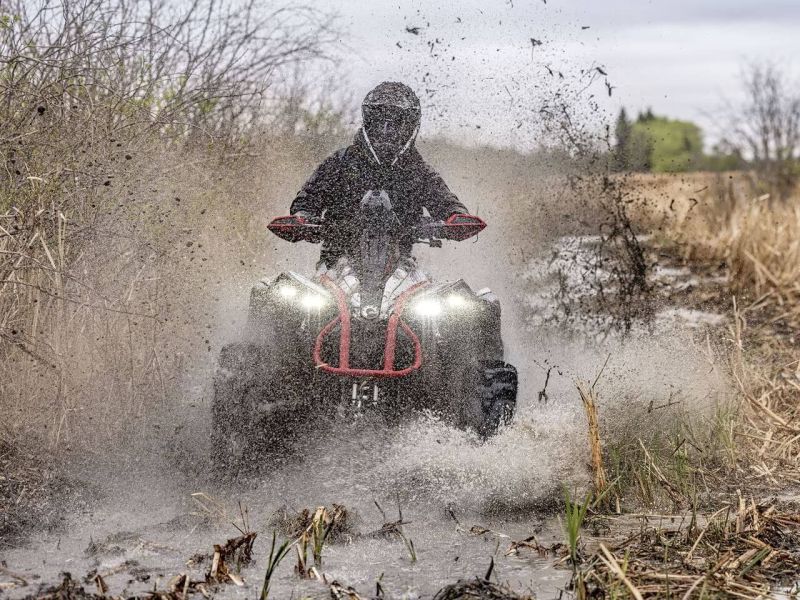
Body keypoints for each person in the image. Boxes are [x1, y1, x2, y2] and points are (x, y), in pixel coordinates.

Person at [290, 81, 468, 267]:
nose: (385, 130)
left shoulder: (417, 169)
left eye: (396, 122)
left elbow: (445, 201)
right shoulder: (340, 162)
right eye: (379, 121)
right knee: (279, 292)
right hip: (336, 265)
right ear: (368, 121)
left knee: (464, 296)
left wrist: (456, 216)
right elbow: (307, 199)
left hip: (400, 268)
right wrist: (302, 217)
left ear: (410, 126)